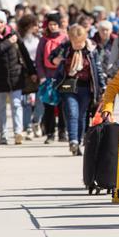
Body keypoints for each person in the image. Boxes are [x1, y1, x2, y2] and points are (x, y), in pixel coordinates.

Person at [50, 25, 105, 155]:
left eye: (80, 42)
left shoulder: (91, 50)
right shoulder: (65, 48)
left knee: (82, 116)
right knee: (72, 113)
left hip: (86, 88)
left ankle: (79, 141)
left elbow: (98, 69)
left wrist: (103, 86)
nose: (78, 45)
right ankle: (73, 141)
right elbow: (51, 57)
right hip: (68, 86)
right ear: (70, 39)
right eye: (75, 42)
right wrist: (55, 60)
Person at [0, 10, 37, 145]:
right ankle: (3, 135)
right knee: (1, 106)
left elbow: (24, 53)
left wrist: (32, 71)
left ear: (5, 22)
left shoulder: (13, 33)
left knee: (16, 104)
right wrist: (8, 42)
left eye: (1, 22)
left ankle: (18, 132)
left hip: (16, 75)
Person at [36, 12, 68, 144]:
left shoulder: (65, 39)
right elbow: (38, 60)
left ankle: (62, 132)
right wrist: (42, 76)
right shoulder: (43, 40)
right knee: (48, 106)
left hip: (62, 77)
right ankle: (50, 133)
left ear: (59, 25)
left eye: (55, 24)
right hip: (48, 78)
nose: (53, 27)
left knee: (63, 106)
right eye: (50, 24)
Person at [17, 14, 43, 140]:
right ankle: (27, 127)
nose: (37, 27)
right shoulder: (20, 40)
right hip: (25, 73)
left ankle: (36, 122)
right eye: (34, 25)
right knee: (26, 102)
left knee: (41, 100)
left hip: (39, 71)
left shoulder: (39, 39)